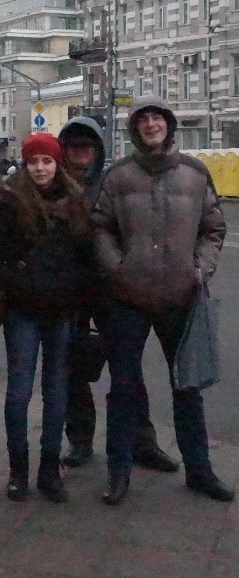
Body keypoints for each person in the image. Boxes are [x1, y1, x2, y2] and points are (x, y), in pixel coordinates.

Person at [93, 94, 233, 505]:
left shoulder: (194, 173)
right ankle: (119, 471)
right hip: (128, 297)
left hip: (181, 296)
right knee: (123, 389)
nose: (151, 124)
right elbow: (100, 226)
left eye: (157, 118)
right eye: (143, 119)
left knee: (187, 387)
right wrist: (118, 269)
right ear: (134, 128)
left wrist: (199, 270)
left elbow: (213, 228)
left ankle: (199, 470)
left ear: (168, 125)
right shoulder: (118, 175)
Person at [58, 117, 176, 472]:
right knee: (73, 367)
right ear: (64, 151)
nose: (81, 153)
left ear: (98, 149)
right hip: (69, 290)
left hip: (111, 288)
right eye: (74, 146)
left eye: (87, 146)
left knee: (127, 370)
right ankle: (80, 439)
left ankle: (142, 441)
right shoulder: (54, 185)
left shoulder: (112, 182)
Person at [0, 133, 93, 503]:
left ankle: (49, 468)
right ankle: (19, 470)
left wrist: (72, 291)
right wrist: (24, 285)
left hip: (62, 311)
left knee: (57, 391)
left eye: (47, 161)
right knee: (18, 391)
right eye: (34, 161)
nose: (41, 168)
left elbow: (85, 258)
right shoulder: (8, 201)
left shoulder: (75, 201)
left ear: (57, 164)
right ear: (25, 164)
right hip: (23, 310)